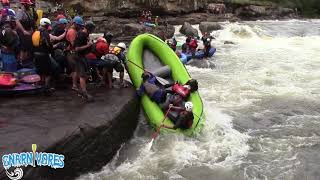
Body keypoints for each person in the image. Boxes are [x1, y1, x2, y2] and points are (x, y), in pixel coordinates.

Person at [73, 20, 96, 101]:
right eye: (92, 30)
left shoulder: (85, 34)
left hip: (82, 56)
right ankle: (84, 92)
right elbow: (77, 48)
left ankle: (77, 88)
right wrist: (88, 45)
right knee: (83, 75)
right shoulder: (81, 35)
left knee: (81, 73)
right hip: (79, 56)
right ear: (89, 29)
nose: (93, 31)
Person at [32, 18, 55, 90]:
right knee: (48, 72)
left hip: (36, 54)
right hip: (43, 55)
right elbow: (48, 45)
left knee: (40, 71)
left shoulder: (35, 32)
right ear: (46, 25)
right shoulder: (45, 33)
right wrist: (52, 52)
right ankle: (47, 87)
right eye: (48, 25)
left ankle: (41, 85)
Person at [15, 0, 36, 66]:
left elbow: (31, 21)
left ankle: (27, 60)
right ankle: (21, 61)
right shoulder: (20, 11)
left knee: (28, 46)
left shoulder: (28, 11)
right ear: (24, 4)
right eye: (28, 4)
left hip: (28, 31)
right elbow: (17, 21)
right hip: (22, 32)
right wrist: (23, 30)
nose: (29, 5)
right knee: (23, 47)